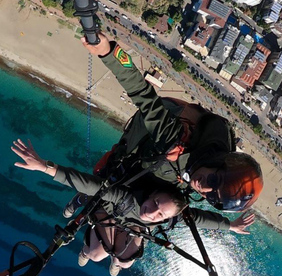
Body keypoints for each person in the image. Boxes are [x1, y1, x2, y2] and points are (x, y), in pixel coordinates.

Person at [77, 32, 264, 214]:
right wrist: (108, 52)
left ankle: (92, 198)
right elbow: (143, 94)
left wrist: (229, 226)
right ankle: (89, 196)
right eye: (214, 181)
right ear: (218, 161)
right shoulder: (175, 140)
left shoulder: (202, 167)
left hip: (146, 170)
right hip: (141, 147)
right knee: (109, 175)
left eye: (213, 198)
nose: (205, 189)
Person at [11, 139, 254, 276]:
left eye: (160, 214)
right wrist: (45, 166)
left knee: (125, 260)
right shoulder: (127, 198)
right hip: (112, 210)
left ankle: (115, 260)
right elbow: (91, 184)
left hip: (131, 227)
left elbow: (198, 219)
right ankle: (83, 212)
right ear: (152, 194)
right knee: (97, 254)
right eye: (155, 203)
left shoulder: (169, 217)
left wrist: (230, 225)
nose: (152, 212)